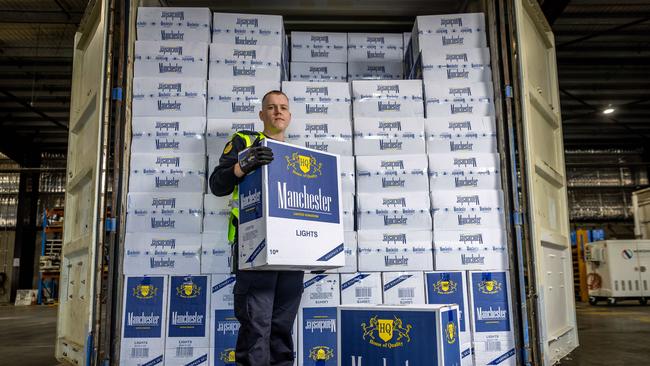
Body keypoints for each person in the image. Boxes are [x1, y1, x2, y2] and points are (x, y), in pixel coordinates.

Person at [209, 90, 304, 366]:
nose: (278, 112)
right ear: (262, 114)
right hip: (254, 250)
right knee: (256, 326)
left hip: (290, 252)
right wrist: (242, 166)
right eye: (271, 107)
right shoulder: (245, 141)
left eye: (283, 107)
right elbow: (217, 185)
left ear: (289, 115)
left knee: (281, 328)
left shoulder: (298, 157)